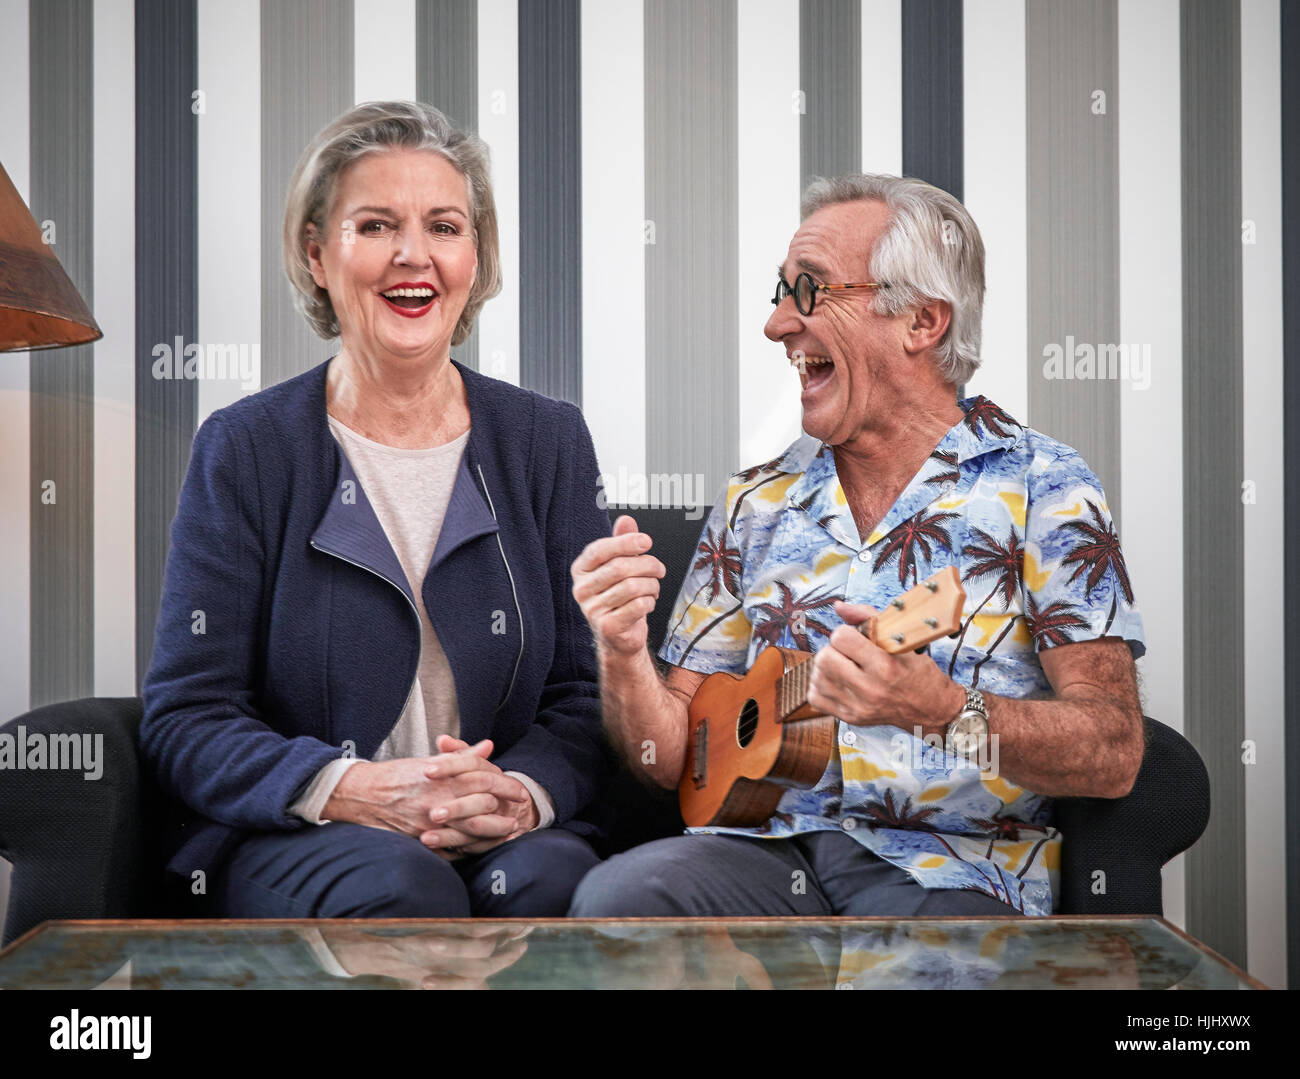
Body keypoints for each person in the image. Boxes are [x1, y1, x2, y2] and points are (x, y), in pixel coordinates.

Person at [569, 174, 1145, 919]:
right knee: (616, 902)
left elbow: (1114, 750)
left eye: (808, 292)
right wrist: (620, 652)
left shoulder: (1047, 488)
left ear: (921, 320)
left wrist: (942, 709)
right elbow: (671, 757)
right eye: (779, 294)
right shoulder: (754, 503)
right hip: (763, 859)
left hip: (951, 873)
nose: (778, 324)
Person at [141, 101, 611, 927]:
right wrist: (351, 789)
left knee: (557, 886)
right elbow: (189, 714)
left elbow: (586, 694)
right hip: (310, 832)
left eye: (443, 226)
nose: (413, 255)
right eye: (376, 225)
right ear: (317, 254)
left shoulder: (548, 439)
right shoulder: (246, 447)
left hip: (503, 830)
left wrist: (520, 795)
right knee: (405, 888)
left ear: (476, 257)